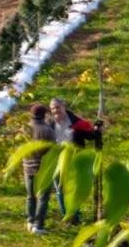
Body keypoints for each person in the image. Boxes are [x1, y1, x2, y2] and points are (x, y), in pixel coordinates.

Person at [49, 97, 102, 221]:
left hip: (74, 160)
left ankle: (75, 215)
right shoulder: (50, 123)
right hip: (56, 161)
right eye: (53, 108)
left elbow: (90, 136)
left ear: (64, 107)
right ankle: (66, 215)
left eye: (58, 107)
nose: (56, 111)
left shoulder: (76, 122)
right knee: (60, 189)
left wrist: (97, 130)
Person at [23, 103, 55, 234]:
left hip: (27, 166)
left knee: (30, 196)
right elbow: (51, 151)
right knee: (43, 197)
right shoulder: (47, 130)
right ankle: (38, 225)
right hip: (42, 168)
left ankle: (30, 221)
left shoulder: (25, 128)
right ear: (44, 114)